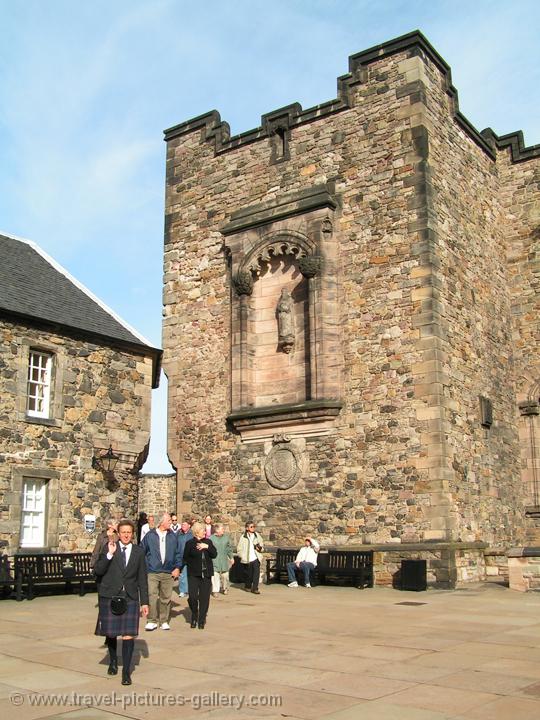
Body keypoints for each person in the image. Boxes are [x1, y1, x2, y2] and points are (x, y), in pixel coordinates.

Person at [94, 519, 149, 686]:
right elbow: (98, 570)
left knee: (128, 635)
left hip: (130, 597)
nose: (126, 535)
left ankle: (126, 672)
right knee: (111, 633)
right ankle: (112, 661)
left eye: (129, 532)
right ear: (118, 533)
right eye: (123, 532)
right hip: (110, 595)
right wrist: (109, 555)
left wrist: (144, 602)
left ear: (132, 534)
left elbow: (142, 578)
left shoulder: (139, 552)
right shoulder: (109, 547)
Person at [141, 512, 182, 631]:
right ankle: (151, 620)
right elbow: (142, 551)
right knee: (152, 596)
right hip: (153, 571)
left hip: (168, 571)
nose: (171, 522)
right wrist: (146, 566)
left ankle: (163, 620)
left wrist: (177, 567)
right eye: (169, 520)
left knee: (166, 597)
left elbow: (178, 553)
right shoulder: (150, 535)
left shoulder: (173, 536)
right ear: (162, 522)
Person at [183, 521, 217, 629]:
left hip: (206, 574)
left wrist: (207, 547)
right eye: (203, 530)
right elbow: (185, 558)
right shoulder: (190, 543)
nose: (205, 532)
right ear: (197, 532)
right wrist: (179, 569)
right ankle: (194, 615)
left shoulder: (208, 542)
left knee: (204, 598)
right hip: (193, 574)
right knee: (192, 597)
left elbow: (214, 554)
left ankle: (201, 620)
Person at [237, 521, 264, 594]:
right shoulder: (243, 537)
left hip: (256, 557)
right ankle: (248, 586)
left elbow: (262, 546)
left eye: (254, 526)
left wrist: (260, 548)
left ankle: (255, 588)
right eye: (251, 527)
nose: (253, 528)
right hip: (247, 558)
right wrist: (242, 556)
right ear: (247, 528)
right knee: (249, 574)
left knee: (256, 573)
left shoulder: (257, 535)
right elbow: (239, 548)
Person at [210, 523, 234, 596]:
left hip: (224, 559)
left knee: (225, 575)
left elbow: (229, 548)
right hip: (214, 559)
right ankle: (215, 590)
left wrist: (231, 557)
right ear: (217, 530)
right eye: (222, 529)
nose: (223, 530)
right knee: (215, 576)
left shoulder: (226, 538)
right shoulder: (211, 538)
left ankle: (225, 588)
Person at [176, 520, 193, 598]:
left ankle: (189, 590)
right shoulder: (178, 534)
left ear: (189, 526)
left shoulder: (192, 534)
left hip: (190, 557)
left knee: (188, 574)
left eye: (184, 525)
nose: (183, 526)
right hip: (180, 556)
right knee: (182, 574)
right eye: (182, 524)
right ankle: (183, 590)